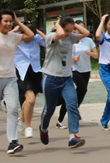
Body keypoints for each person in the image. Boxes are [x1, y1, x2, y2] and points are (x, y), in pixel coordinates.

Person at [0, 11, 33, 155]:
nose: (8, 24)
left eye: (10, 21)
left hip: (10, 77)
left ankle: (13, 141)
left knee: (13, 109)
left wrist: (18, 21)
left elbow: (30, 35)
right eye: (5, 21)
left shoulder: (14, 36)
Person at [38, 17, 91, 149]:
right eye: (66, 30)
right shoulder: (51, 37)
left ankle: (73, 136)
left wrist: (74, 25)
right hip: (51, 78)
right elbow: (60, 34)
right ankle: (43, 128)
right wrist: (58, 23)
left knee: (72, 105)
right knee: (49, 109)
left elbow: (86, 33)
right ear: (60, 27)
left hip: (67, 78)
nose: (68, 33)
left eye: (71, 30)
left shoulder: (71, 38)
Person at [57, 29, 97, 128]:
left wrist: (91, 53)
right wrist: (73, 60)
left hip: (86, 70)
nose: (80, 32)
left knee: (78, 93)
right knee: (82, 89)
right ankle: (73, 111)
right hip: (74, 69)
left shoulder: (88, 40)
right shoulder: (70, 40)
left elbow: (96, 55)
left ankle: (63, 117)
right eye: (77, 30)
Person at [15, 23, 45, 140]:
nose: (29, 38)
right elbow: (5, 36)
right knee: (30, 99)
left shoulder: (36, 38)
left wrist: (38, 31)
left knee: (29, 101)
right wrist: (16, 29)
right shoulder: (16, 39)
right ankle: (28, 126)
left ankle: (21, 121)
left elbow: (48, 42)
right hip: (22, 72)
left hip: (36, 71)